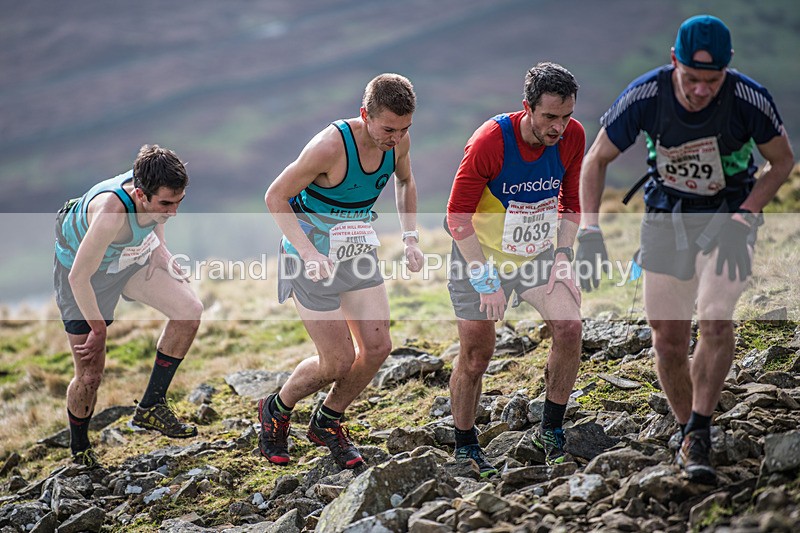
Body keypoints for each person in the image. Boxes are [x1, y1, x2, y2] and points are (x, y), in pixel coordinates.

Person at [578, 15, 794, 485]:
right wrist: (589, 230)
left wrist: (748, 213)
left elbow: (782, 162)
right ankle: (685, 426)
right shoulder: (646, 95)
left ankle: (699, 429)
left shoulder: (746, 98)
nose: (700, 90)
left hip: (728, 216)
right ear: (673, 61)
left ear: (727, 70)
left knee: (716, 318)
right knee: (668, 340)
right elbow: (596, 159)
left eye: (711, 80)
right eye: (691, 79)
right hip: (666, 217)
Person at [261, 73, 423, 469]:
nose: (395, 138)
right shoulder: (330, 147)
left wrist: (411, 237)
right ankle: (276, 409)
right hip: (308, 259)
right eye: (388, 128)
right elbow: (275, 196)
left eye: (404, 129)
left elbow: (405, 180)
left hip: (355, 252)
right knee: (336, 362)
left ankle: (327, 422)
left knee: (378, 347)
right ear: (365, 115)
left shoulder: (397, 141)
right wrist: (308, 254)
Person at [445, 62, 585, 476]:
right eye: (549, 117)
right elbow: (456, 218)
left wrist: (563, 258)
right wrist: (486, 279)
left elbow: (572, 205)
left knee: (570, 326)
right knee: (476, 356)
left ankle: (552, 430)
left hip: (537, 256)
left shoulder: (572, 137)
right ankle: (466, 445)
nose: (558, 127)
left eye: (566, 116)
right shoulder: (491, 141)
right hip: (479, 257)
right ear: (527, 108)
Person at [54, 144, 204, 467]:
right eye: (166, 203)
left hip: (128, 260)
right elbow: (78, 278)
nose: (173, 212)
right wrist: (98, 328)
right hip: (84, 275)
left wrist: (160, 249)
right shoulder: (111, 213)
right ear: (140, 194)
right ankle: (80, 449)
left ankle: (151, 406)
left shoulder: (154, 190)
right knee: (90, 375)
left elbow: (156, 218)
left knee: (190, 311)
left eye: (179, 202)